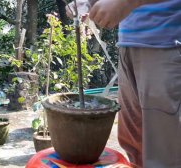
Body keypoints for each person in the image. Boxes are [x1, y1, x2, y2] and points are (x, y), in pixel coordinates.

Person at [67, 0, 181, 167]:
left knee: (164, 157)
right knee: (135, 149)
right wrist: (89, 2)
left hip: (166, 46)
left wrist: (126, 2)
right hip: (128, 44)